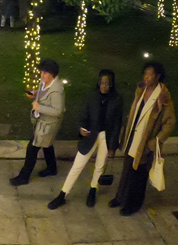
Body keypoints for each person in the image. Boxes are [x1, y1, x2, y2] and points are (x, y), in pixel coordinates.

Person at [48, 70, 123, 209]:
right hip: (90, 134)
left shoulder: (117, 99)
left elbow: (117, 124)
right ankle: (63, 194)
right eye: (102, 83)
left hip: (106, 136)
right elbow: (83, 115)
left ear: (111, 84)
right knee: (77, 165)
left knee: (100, 165)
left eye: (107, 83)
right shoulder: (92, 96)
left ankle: (93, 190)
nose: (104, 86)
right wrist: (81, 128)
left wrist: (113, 146)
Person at [110, 61, 175, 216]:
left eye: (150, 74)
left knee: (139, 175)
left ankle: (133, 204)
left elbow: (170, 122)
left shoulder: (163, 96)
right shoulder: (141, 90)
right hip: (133, 137)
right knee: (127, 169)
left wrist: (155, 142)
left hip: (146, 142)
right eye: (145, 73)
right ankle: (120, 197)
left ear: (158, 76)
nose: (146, 77)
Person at [11, 59, 65, 186]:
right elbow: (43, 94)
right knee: (47, 145)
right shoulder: (44, 83)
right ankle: (52, 168)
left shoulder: (57, 91)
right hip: (42, 122)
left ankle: (24, 177)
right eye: (41, 72)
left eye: (45, 73)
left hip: (48, 125)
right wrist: (35, 94)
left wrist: (39, 107)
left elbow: (58, 111)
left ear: (52, 74)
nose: (42, 75)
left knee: (32, 148)